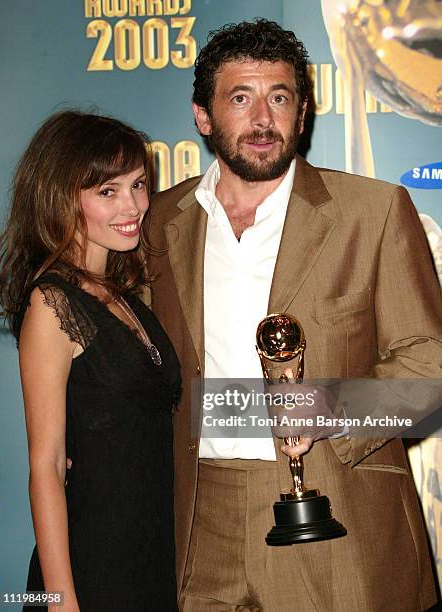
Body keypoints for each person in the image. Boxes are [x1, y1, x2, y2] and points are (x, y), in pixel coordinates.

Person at [146, 19, 442, 612]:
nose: (262, 119)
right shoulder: (158, 221)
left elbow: (429, 362)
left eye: (279, 98)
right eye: (240, 98)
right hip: (200, 521)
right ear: (203, 117)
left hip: (338, 515)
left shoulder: (374, 211)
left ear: (302, 115)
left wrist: (330, 406)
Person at [0, 111, 180, 611]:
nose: (134, 205)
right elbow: (47, 466)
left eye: (139, 184)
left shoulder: (126, 296)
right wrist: (61, 601)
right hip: (93, 565)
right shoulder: (51, 303)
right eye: (107, 191)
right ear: (61, 198)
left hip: (152, 557)